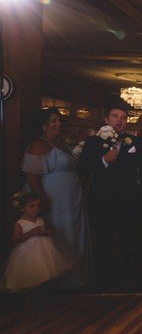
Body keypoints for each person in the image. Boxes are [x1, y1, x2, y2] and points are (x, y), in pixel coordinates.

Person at [78, 106, 142, 287]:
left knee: (131, 240)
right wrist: (104, 160)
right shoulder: (93, 142)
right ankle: (105, 281)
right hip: (103, 200)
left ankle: (131, 280)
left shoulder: (135, 142)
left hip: (130, 199)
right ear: (107, 119)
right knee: (104, 240)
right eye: (115, 116)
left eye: (124, 117)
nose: (120, 120)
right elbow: (82, 168)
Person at [22, 108, 92, 289]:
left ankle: (76, 278)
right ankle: (60, 279)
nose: (58, 124)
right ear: (44, 124)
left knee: (73, 231)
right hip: (53, 195)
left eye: (60, 121)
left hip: (71, 197)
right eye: (53, 121)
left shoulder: (62, 144)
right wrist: (41, 197)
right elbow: (31, 174)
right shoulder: (39, 145)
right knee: (59, 231)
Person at [1, 192, 74, 292]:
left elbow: (42, 231)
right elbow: (16, 239)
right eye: (31, 206)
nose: (36, 209)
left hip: (44, 249)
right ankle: (33, 296)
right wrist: (32, 232)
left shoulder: (40, 219)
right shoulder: (19, 223)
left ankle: (44, 293)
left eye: (38, 206)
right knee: (32, 273)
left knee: (45, 272)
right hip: (28, 252)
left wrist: (46, 232)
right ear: (22, 208)